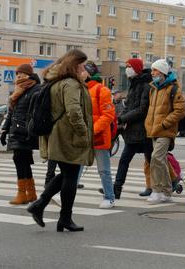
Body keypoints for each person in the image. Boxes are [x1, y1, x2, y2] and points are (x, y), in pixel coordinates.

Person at [27, 49, 94, 232]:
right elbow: (73, 110)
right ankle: (64, 217)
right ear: (74, 65)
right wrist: (83, 132)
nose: (84, 67)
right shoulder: (71, 84)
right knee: (71, 176)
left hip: (59, 134)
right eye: (81, 64)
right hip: (68, 135)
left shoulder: (56, 81)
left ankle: (40, 205)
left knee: (66, 174)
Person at [145, 59, 185, 204]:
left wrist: (164, 124)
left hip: (165, 131)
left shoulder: (173, 88)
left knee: (156, 158)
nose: (152, 73)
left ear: (162, 72)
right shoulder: (154, 88)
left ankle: (157, 190)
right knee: (158, 160)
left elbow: (180, 111)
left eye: (154, 70)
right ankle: (167, 191)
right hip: (153, 130)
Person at [113, 58, 153, 198]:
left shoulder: (146, 85)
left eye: (129, 66)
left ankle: (165, 183)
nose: (127, 69)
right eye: (126, 66)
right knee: (125, 160)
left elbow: (142, 109)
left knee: (152, 160)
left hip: (144, 130)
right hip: (133, 131)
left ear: (136, 68)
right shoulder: (133, 84)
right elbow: (128, 106)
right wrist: (118, 119)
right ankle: (116, 189)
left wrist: (123, 118)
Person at [0, 64, 40, 204]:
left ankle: (22, 193)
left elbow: (35, 114)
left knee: (20, 160)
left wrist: (31, 131)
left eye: (22, 74)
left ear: (29, 75)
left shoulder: (35, 89)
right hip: (16, 131)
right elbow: (12, 112)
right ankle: (30, 194)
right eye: (17, 74)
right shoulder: (19, 90)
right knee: (22, 162)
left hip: (26, 132)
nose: (19, 76)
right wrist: (5, 129)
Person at [83, 61, 116, 208]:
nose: (78, 73)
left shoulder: (102, 90)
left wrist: (92, 130)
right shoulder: (79, 89)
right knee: (76, 167)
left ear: (88, 73)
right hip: (83, 136)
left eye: (82, 71)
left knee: (103, 169)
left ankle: (109, 197)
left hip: (99, 137)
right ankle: (67, 194)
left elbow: (108, 115)